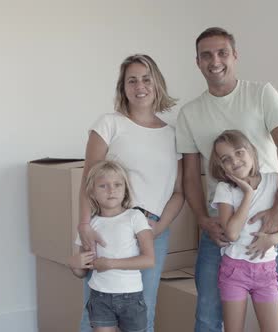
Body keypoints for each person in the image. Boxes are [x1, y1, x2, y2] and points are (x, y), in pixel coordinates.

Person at [175, 27, 278, 332]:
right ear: (197, 62)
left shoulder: (261, 93)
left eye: (222, 53)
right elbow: (191, 175)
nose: (214, 60)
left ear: (235, 56)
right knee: (207, 313)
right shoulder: (190, 113)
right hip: (221, 225)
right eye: (206, 55)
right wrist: (203, 219)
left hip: (269, 223)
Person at [77, 54, 184, 332]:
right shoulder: (109, 124)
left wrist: (157, 229)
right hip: (109, 229)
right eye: (131, 80)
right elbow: (88, 182)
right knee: (96, 316)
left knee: (142, 314)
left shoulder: (173, 135)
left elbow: (178, 193)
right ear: (122, 88)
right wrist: (84, 225)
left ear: (157, 83)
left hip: (150, 232)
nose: (140, 86)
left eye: (146, 79)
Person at [209, 130, 278, 332]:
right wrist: (248, 194)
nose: (234, 161)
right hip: (234, 270)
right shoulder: (224, 189)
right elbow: (232, 234)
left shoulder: (276, 181)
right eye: (226, 159)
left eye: (239, 152)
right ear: (222, 167)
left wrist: (272, 240)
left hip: (266, 271)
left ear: (251, 151)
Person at [69, 160, 155, 332]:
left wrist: (111, 264)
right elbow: (81, 272)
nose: (111, 190)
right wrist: (74, 264)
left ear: (125, 188)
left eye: (117, 184)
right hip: (99, 297)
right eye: (103, 186)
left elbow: (149, 260)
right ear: (92, 192)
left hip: (131, 297)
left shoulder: (135, 217)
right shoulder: (89, 225)